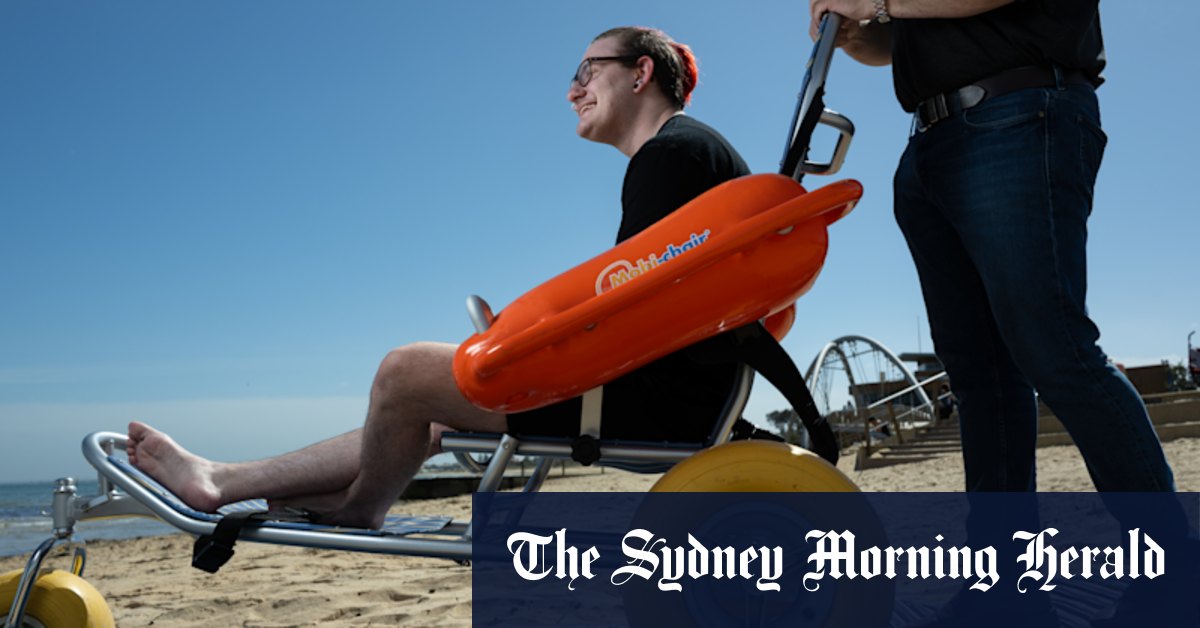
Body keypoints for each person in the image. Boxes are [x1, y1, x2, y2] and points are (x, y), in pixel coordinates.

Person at [127, 26, 750, 529]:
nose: (573, 90)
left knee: (404, 370)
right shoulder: (687, 152)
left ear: (640, 73)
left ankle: (358, 508)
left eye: (587, 71)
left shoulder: (674, 154)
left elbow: (632, 307)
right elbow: (651, 297)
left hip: (650, 405)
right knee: (427, 411)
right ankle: (224, 481)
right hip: (674, 396)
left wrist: (531, 344)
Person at [807, 1, 1175, 493]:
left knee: (1053, 346)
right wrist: (857, 34)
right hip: (932, 139)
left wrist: (877, 3)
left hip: (1018, 110)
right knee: (980, 374)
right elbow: (905, 36)